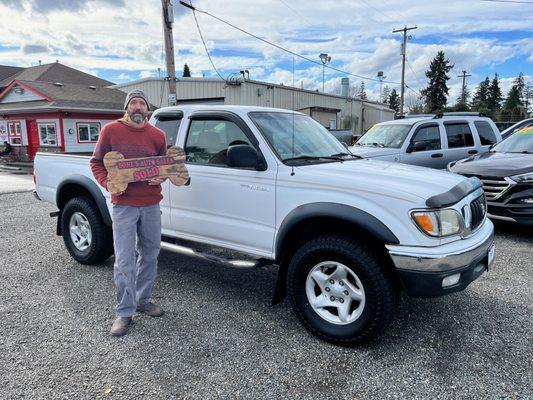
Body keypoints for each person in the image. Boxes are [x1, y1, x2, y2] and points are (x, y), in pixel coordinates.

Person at [90, 89, 167, 337]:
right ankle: (124, 312)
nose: (137, 107)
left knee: (151, 253)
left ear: (147, 109)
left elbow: (165, 164)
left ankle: (143, 300)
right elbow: (96, 162)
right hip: (123, 205)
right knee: (124, 259)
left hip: (151, 204)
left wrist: (162, 176)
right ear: (127, 107)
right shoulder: (110, 130)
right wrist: (108, 183)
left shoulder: (158, 135)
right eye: (133, 102)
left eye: (142, 103)